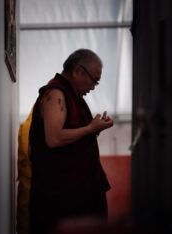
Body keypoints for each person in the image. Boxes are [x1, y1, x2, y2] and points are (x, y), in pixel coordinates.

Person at [28, 48, 114, 234]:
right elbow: (53, 138)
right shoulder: (56, 94)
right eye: (95, 80)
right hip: (60, 200)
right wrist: (91, 128)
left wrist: (94, 129)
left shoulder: (72, 95)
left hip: (80, 194)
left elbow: (73, 136)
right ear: (79, 71)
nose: (94, 87)